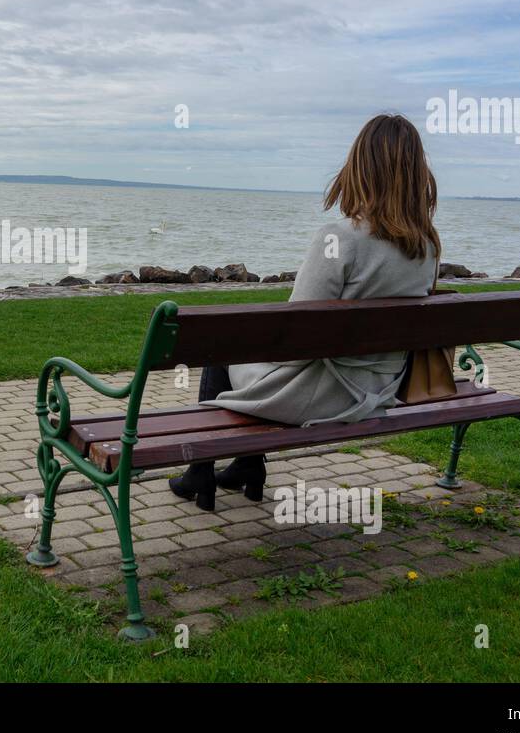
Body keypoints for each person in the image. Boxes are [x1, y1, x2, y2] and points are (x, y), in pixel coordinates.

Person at [169, 114, 442, 511]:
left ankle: (201, 472)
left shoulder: (339, 239)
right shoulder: (427, 247)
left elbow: (294, 341)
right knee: (236, 350)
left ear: (361, 167)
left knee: (220, 353)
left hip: (324, 396)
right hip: (380, 390)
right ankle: (246, 466)